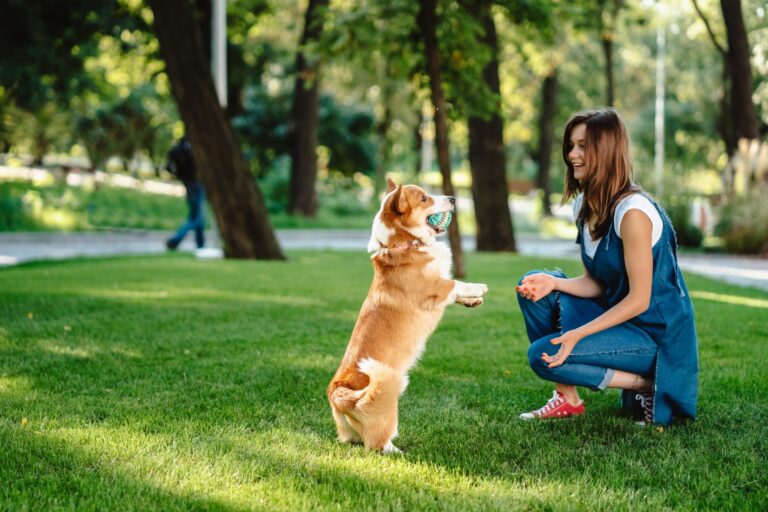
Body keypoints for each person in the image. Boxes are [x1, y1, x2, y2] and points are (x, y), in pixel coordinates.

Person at [515, 108, 698, 426]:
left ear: (607, 150)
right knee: (534, 286)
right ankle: (567, 398)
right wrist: (553, 283)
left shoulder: (633, 213)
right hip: (619, 320)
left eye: (583, 146)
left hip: (654, 337)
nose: (573, 154)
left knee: (540, 355)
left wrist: (576, 334)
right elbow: (597, 282)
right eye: (571, 145)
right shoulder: (584, 205)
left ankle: (648, 384)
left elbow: (640, 299)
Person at [165, 136, 205, 250]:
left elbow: (169, 167)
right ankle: (176, 240)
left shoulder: (180, 147)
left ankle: (200, 244)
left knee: (197, 214)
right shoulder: (191, 146)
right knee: (197, 216)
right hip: (195, 183)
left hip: (188, 182)